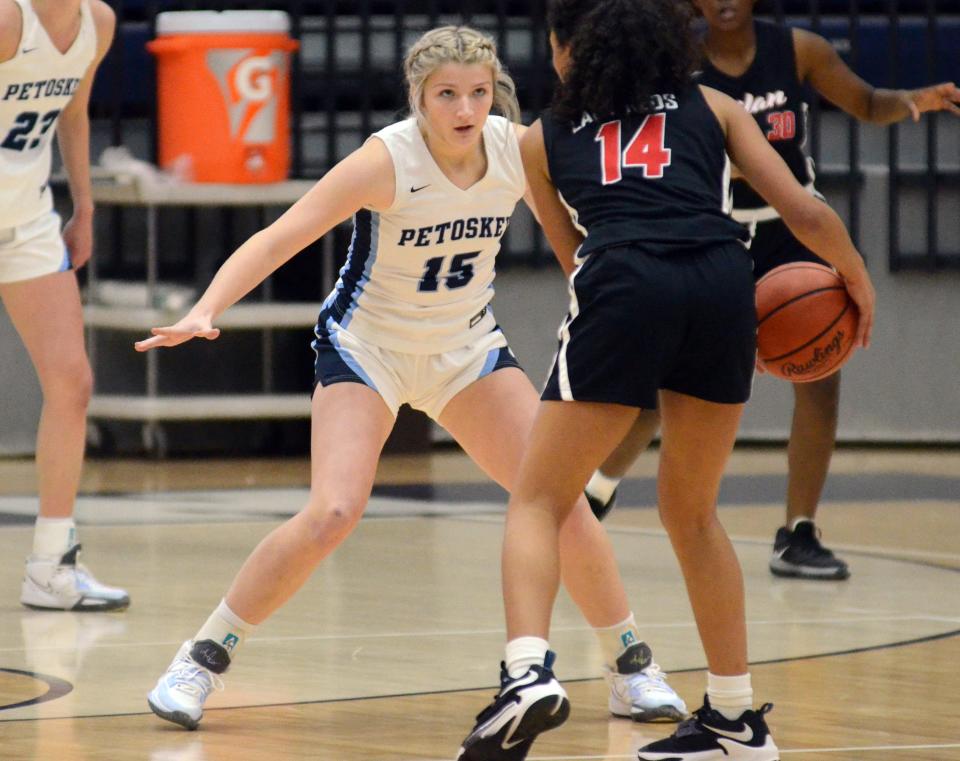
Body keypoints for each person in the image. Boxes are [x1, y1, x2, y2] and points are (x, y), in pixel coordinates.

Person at [139, 26, 686, 733]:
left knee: (559, 502)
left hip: (465, 350)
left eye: (478, 92)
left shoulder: (517, 151)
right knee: (333, 510)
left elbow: (576, 249)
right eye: (447, 94)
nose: (464, 108)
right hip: (368, 348)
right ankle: (202, 658)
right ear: (419, 99)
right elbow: (283, 235)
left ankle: (630, 665)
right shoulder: (385, 160)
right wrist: (207, 307)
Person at [457, 0, 875, 759]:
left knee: (541, 497)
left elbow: (569, 255)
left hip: (623, 280)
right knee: (693, 512)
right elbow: (801, 210)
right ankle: (735, 717)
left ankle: (525, 674)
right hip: (723, 281)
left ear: (562, 52)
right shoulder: (710, 103)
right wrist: (855, 279)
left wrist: (624, 341)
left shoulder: (538, 140)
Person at [584, 0, 960, 581]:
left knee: (820, 375)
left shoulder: (798, 49)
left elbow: (863, 101)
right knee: (666, 383)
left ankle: (799, 531)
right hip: (712, 228)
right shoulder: (677, 55)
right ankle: (597, 491)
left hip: (792, 223)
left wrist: (912, 101)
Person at [0, 0, 128, 611]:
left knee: (71, 381)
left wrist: (85, 206)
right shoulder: (6, 20)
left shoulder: (96, 24)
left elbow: (73, 112)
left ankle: (51, 565)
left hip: (26, 223)